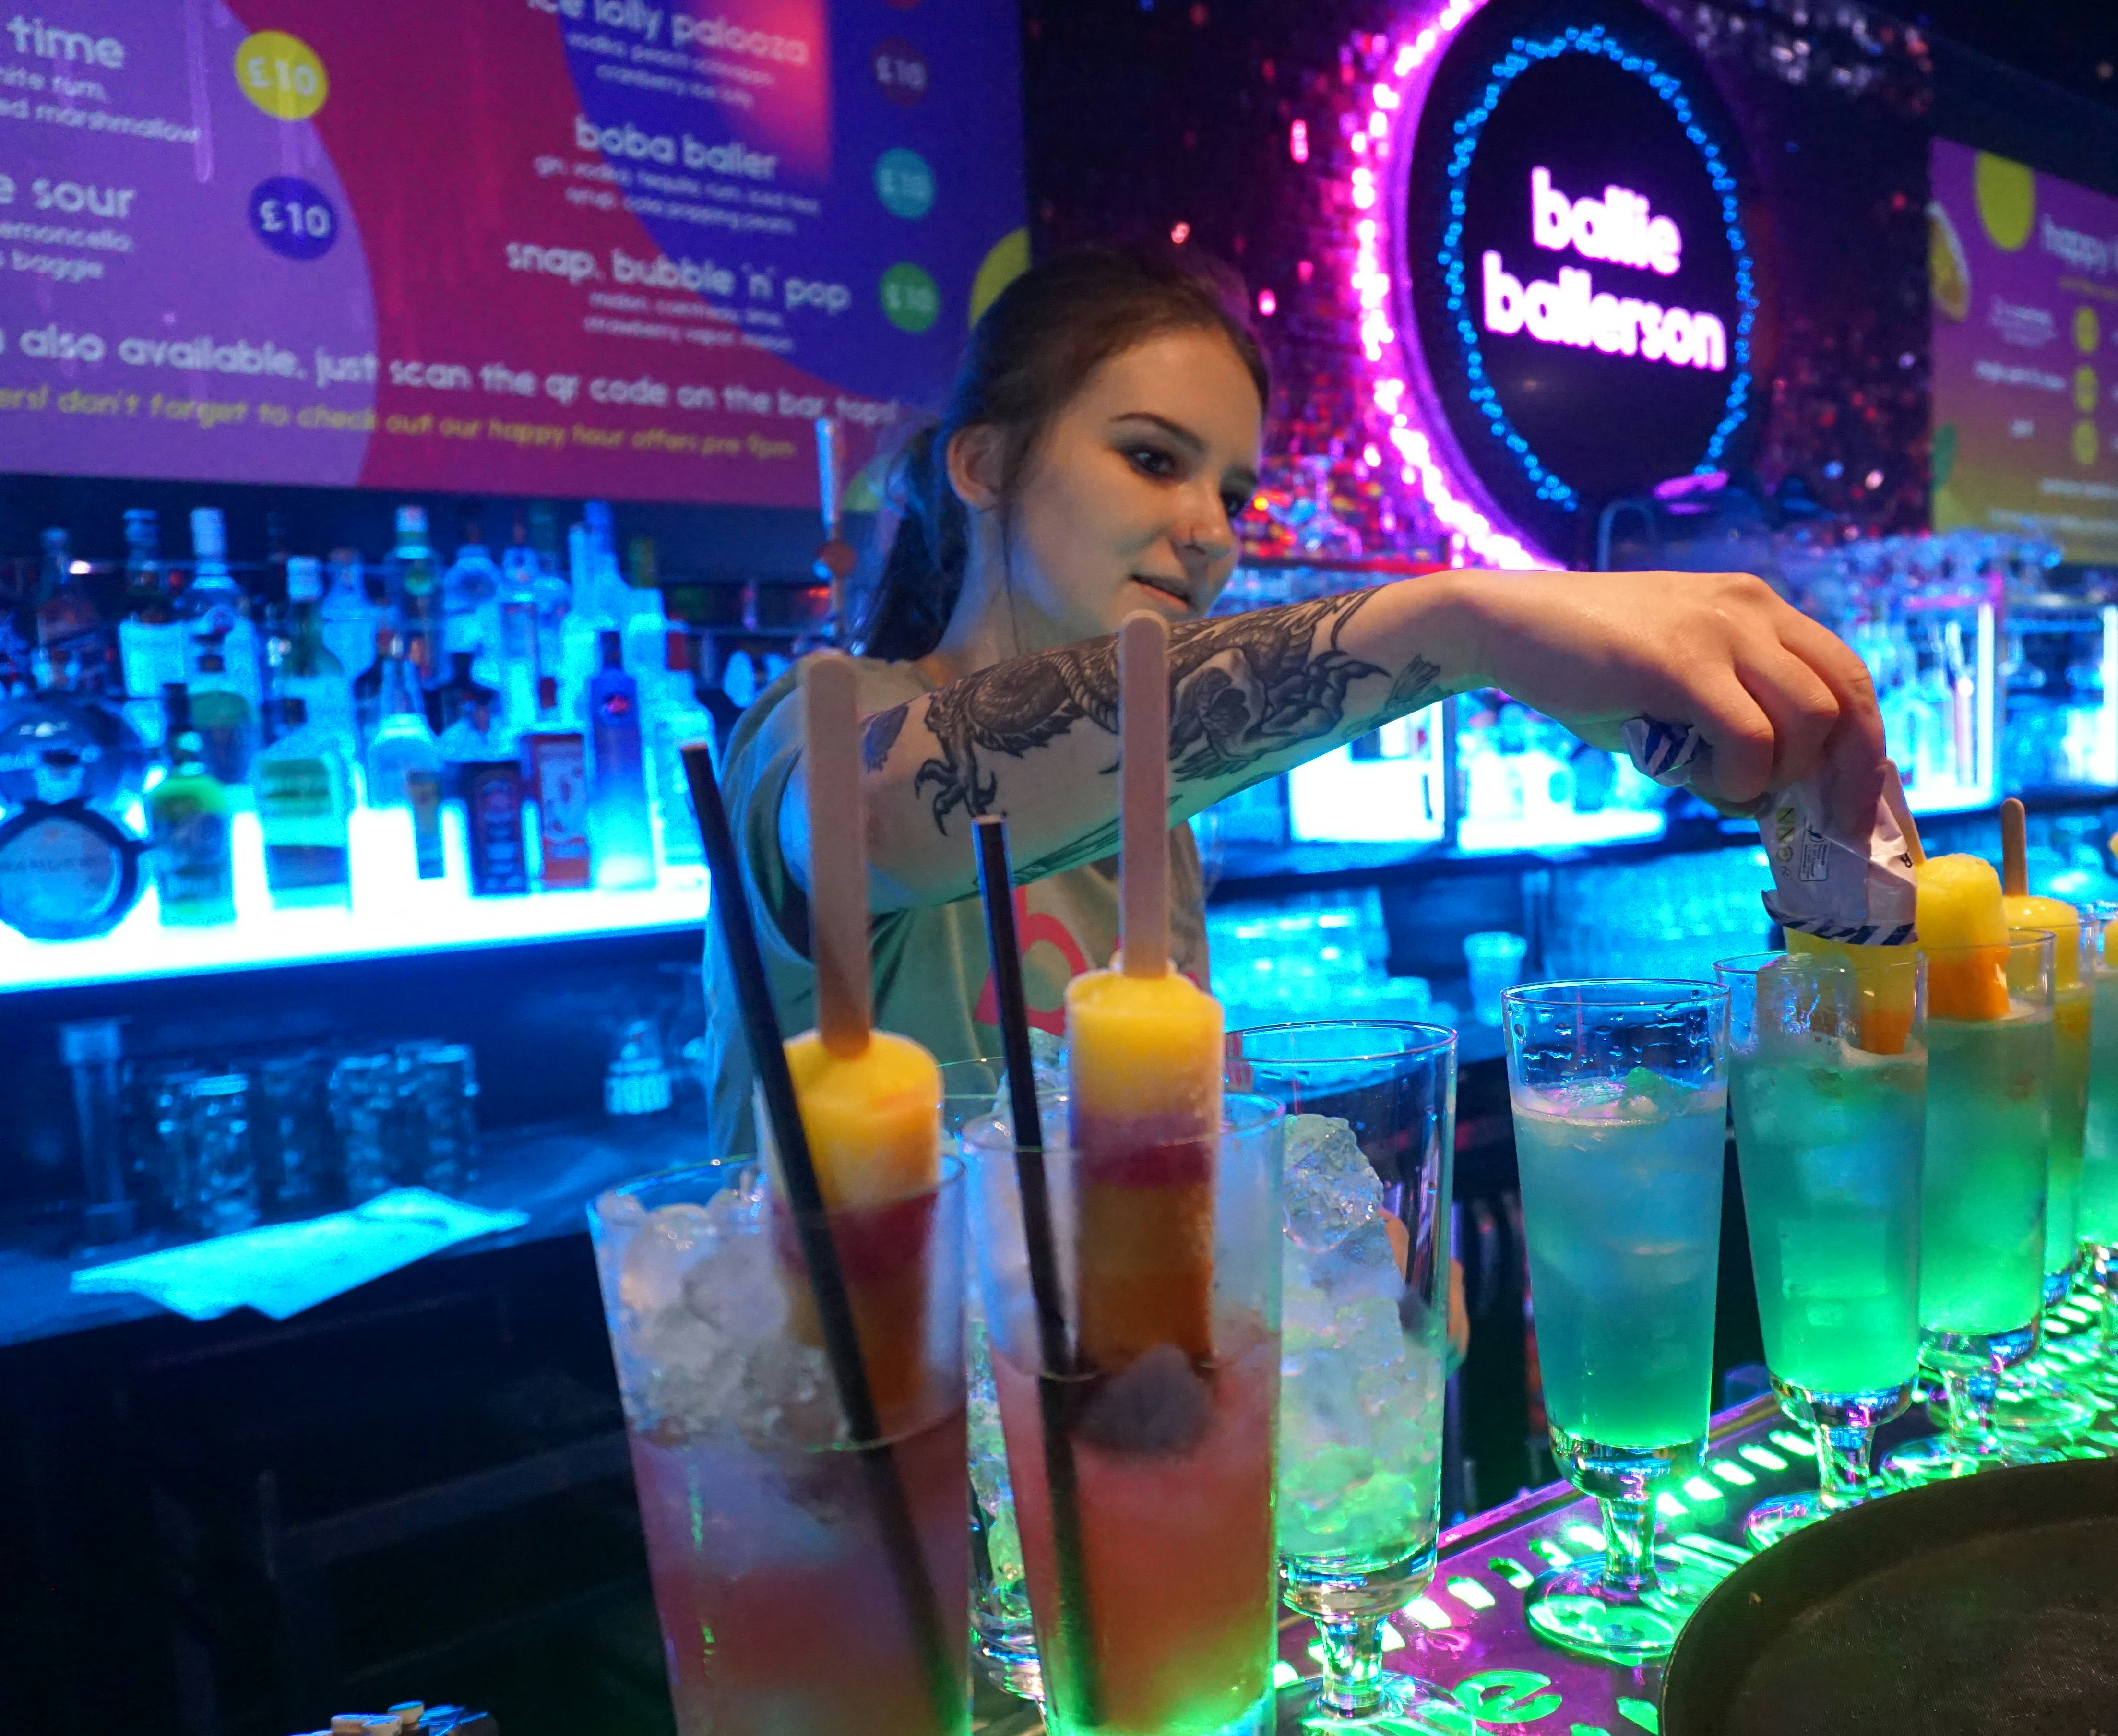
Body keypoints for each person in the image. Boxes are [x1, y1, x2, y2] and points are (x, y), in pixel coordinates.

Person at [707, 247, 1882, 1149]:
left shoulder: (1154, 824)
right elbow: (876, 820)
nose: (1210, 533)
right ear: (984, 464)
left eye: (1233, 492)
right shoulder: (820, 721)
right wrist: (1460, 621)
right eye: (1152, 458)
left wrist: (1327, 1226)